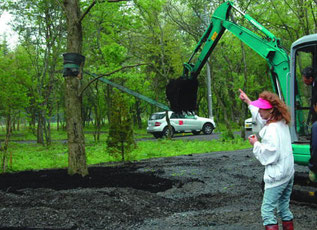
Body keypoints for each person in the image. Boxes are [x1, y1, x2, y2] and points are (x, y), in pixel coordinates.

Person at [239, 89, 295, 230]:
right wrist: (248, 101)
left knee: (267, 211)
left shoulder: (271, 130)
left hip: (277, 176)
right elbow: (262, 120)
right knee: (284, 207)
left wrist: (256, 144)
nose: (259, 112)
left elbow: (270, 154)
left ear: (270, 110)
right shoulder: (281, 121)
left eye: (262, 109)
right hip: (288, 173)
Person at [301, 66, 317, 182]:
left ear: (310, 78)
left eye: (304, 78)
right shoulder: (314, 85)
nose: (303, 81)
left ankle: (314, 168)